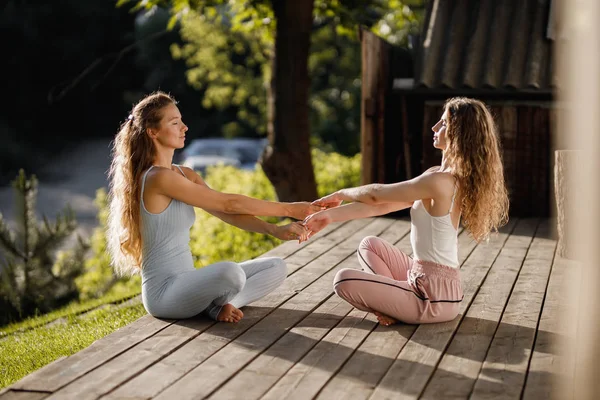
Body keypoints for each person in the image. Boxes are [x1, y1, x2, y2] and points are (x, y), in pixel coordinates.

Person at [107, 91, 319, 323]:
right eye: (175, 122)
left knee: (276, 267)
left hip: (190, 283)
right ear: (153, 132)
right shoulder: (157, 178)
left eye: (182, 121)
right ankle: (213, 305)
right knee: (231, 273)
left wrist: (274, 230)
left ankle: (222, 306)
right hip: (164, 295)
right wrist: (289, 209)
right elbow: (229, 203)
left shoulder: (184, 173)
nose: (184, 127)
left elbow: (226, 212)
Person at [303, 97, 509, 326]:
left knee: (343, 279)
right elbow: (383, 205)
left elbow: (376, 194)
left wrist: (341, 194)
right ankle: (392, 302)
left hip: (432, 298)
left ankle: (394, 304)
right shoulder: (437, 176)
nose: (434, 127)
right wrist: (330, 216)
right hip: (424, 278)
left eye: (443, 124)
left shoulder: (440, 182)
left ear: (458, 133)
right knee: (369, 245)